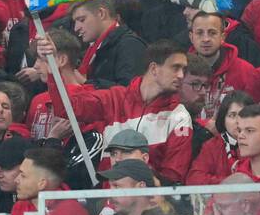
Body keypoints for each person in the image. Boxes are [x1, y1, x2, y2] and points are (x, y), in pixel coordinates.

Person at [36, 39, 193, 185]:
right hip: (108, 199)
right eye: (175, 68)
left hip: (149, 204)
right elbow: (67, 109)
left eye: (184, 70)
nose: (181, 75)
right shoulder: (114, 99)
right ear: (153, 68)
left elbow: (173, 177)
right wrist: (53, 71)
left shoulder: (179, 115)